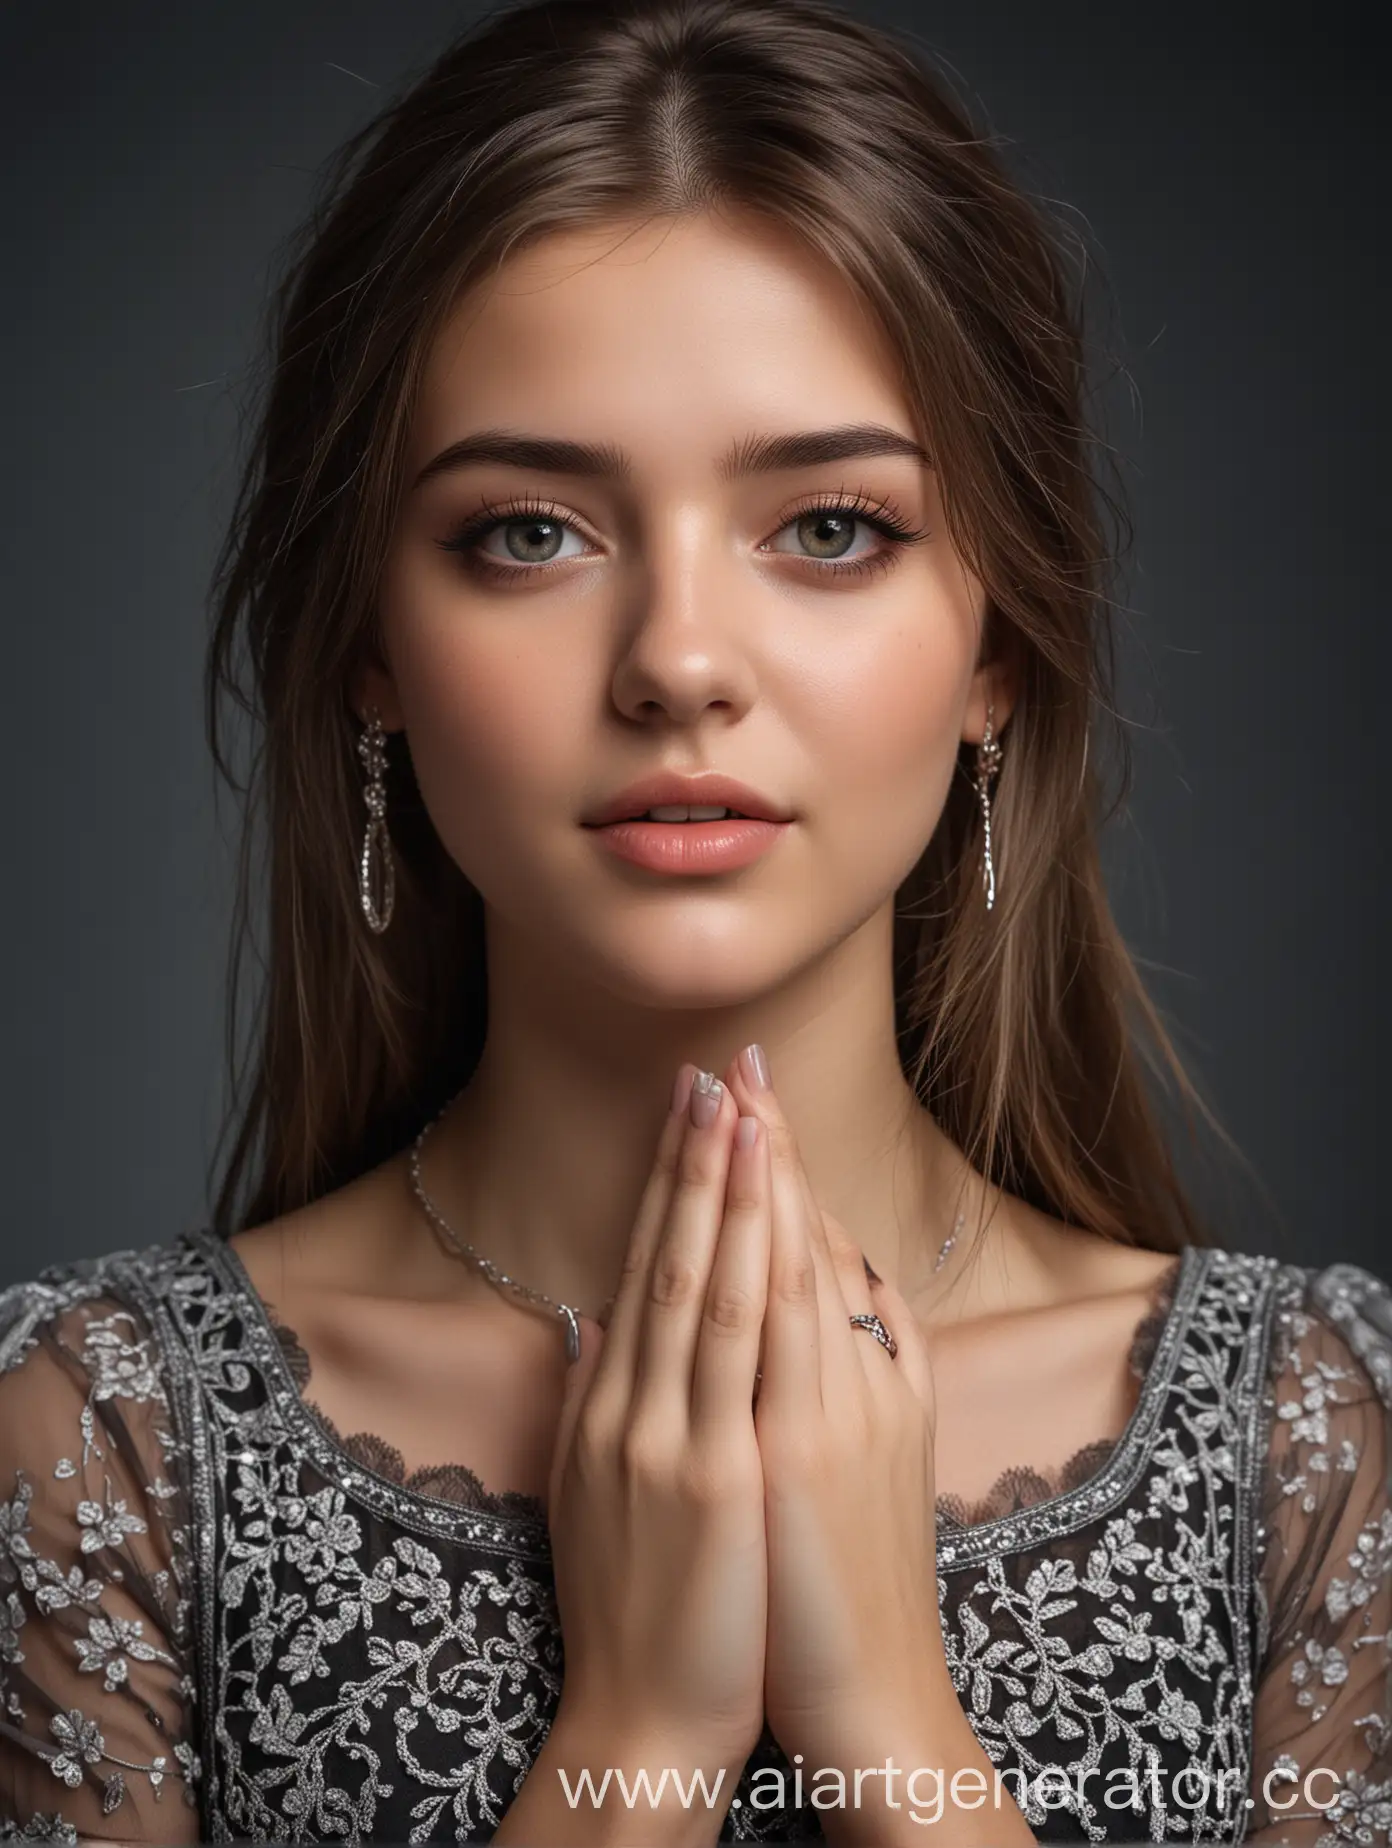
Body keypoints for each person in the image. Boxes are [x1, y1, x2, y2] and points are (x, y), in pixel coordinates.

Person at [2, 0, 1389, 1841]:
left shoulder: (1304, 1442)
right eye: (528, 532)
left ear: (999, 646)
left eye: (827, 527)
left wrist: (890, 1712)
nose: (677, 663)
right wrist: (638, 1738)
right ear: (366, 655)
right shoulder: (100, 1444)